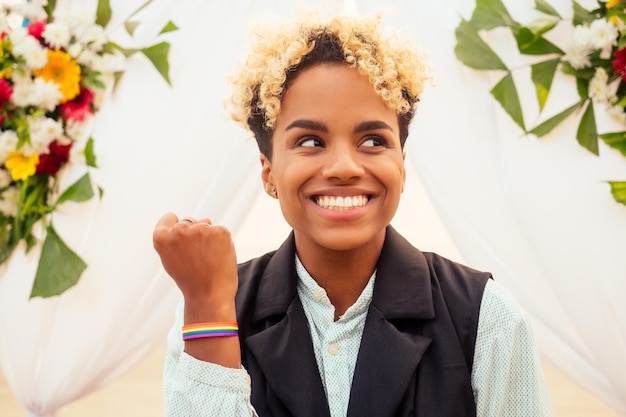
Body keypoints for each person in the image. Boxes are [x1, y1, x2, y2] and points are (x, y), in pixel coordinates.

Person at [153, 11, 553, 417]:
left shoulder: (487, 317)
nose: (344, 166)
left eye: (373, 140)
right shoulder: (211, 309)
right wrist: (207, 309)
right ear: (268, 172)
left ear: (401, 164)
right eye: (310, 140)